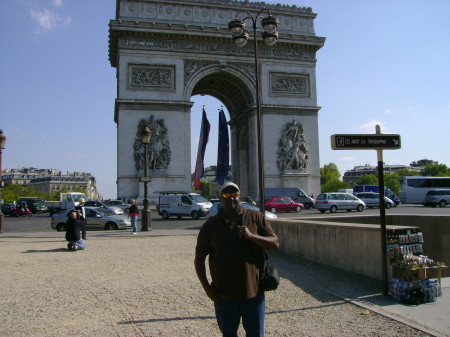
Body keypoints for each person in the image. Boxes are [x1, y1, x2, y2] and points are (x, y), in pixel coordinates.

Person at [195, 182, 279, 337]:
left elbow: (275, 244)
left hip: (254, 292)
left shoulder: (255, 217)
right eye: (226, 195)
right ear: (220, 198)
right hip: (223, 295)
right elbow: (199, 258)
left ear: (240, 197)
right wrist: (206, 287)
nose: (231, 198)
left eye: (234, 195)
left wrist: (251, 236)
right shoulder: (210, 226)